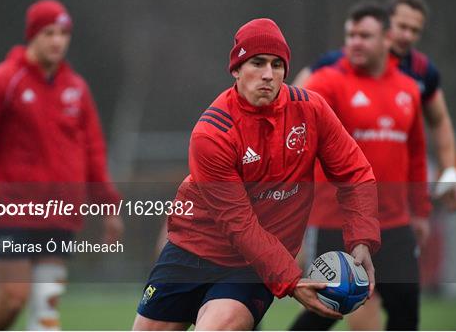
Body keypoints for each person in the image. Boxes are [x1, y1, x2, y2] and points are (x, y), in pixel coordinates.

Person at [132, 18, 381, 331]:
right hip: (193, 248)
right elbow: (239, 224)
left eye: (277, 65)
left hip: (251, 266)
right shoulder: (212, 133)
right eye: (257, 63)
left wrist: (362, 240)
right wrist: (291, 280)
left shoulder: (311, 110)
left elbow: (355, 172)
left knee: (219, 326)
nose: (268, 74)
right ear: (236, 69)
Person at [0, 0, 123, 330]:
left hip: (60, 212)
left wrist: (108, 204)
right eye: (49, 32)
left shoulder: (76, 88)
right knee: (12, 299)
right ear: (32, 35)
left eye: (63, 33)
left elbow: (93, 151)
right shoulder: (1, 82)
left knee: (45, 312)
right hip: (11, 209)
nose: (57, 40)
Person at [289, 2, 431, 331]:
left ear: (387, 38)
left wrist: (420, 210)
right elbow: (292, 121)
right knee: (321, 312)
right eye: (350, 35)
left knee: (406, 312)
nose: (354, 42)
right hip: (335, 223)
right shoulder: (326, 83)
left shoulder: (408, 88)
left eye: (364, 35)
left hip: (394, 224)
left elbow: (417, 155)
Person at [292, 0, 456, 212]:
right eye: (402, 26)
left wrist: (449, 169)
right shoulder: (339, 62)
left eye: (415, 31)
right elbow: (296, 101)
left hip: (394, 201)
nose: (407, 36)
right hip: (339, 202)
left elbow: (439, 120)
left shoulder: (421, 71)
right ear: (386, 26)